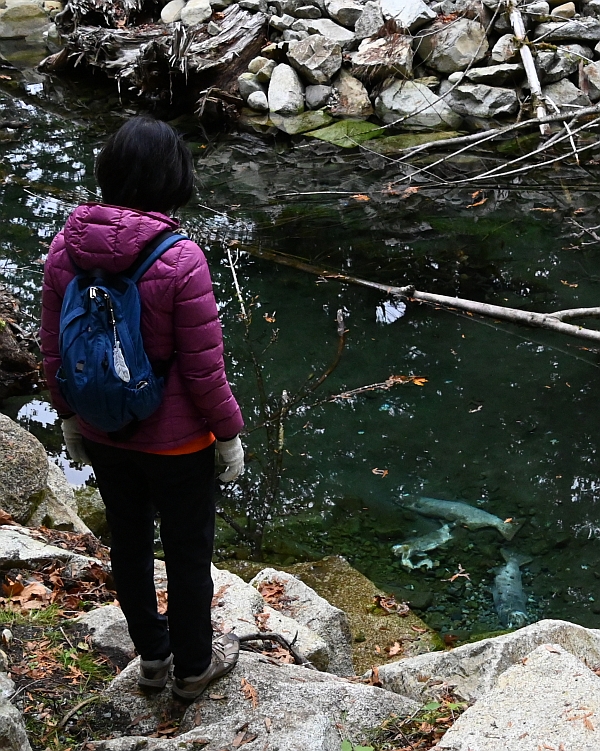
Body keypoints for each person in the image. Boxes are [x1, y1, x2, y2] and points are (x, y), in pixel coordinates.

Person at [40, 116, 244, 700]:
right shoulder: (181, 258)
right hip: (177, 443)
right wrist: (227, 434)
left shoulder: (65, 246)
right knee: (186, 554)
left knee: (129, 546)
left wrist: (69, 418)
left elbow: (54, 346)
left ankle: (152, 658)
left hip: (104, 431)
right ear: (172, 177)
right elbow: (204, 369)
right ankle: (193, 669)